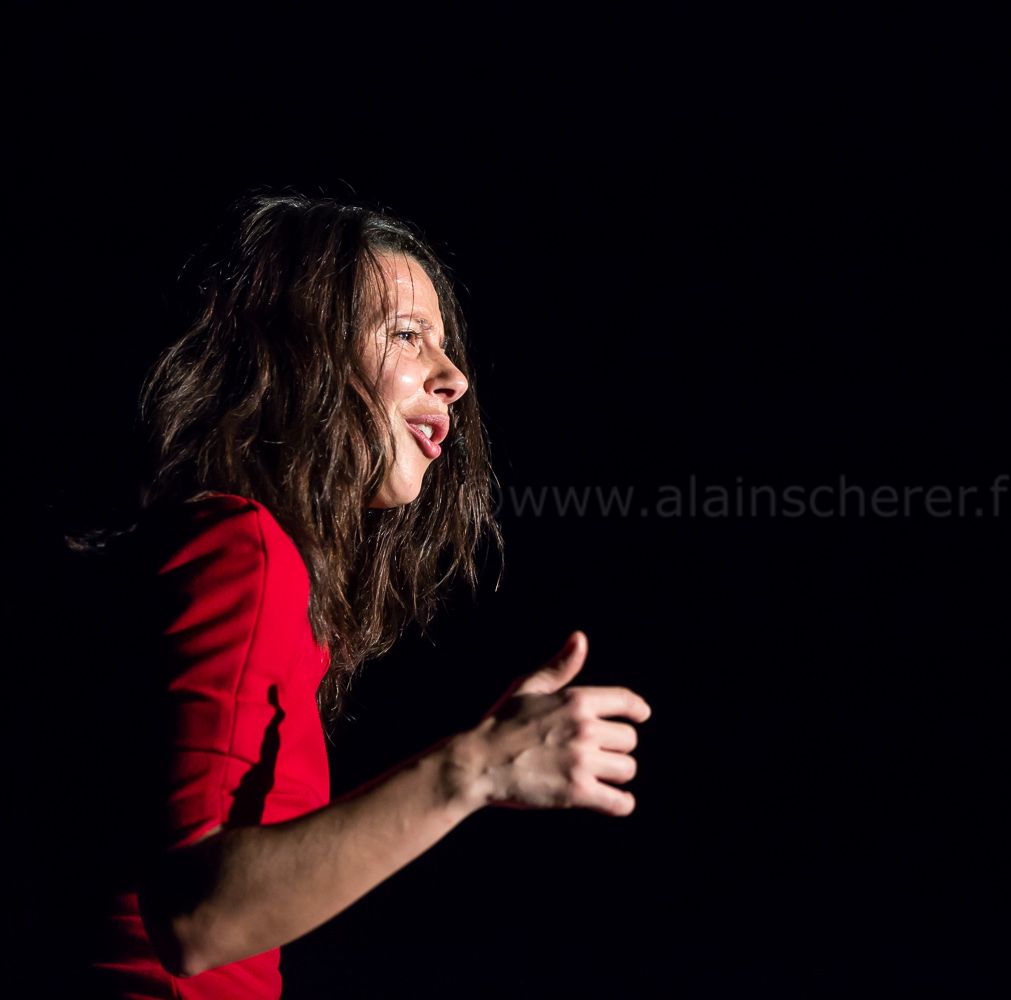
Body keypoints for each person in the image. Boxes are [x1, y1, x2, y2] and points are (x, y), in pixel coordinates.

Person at [46, 191, 652, 998]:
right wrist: (475, 768)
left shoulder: (232, 550)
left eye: (445, 345)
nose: (454, 378)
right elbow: (197, 920)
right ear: (300, 355)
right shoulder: (241, 546)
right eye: (406, 336)